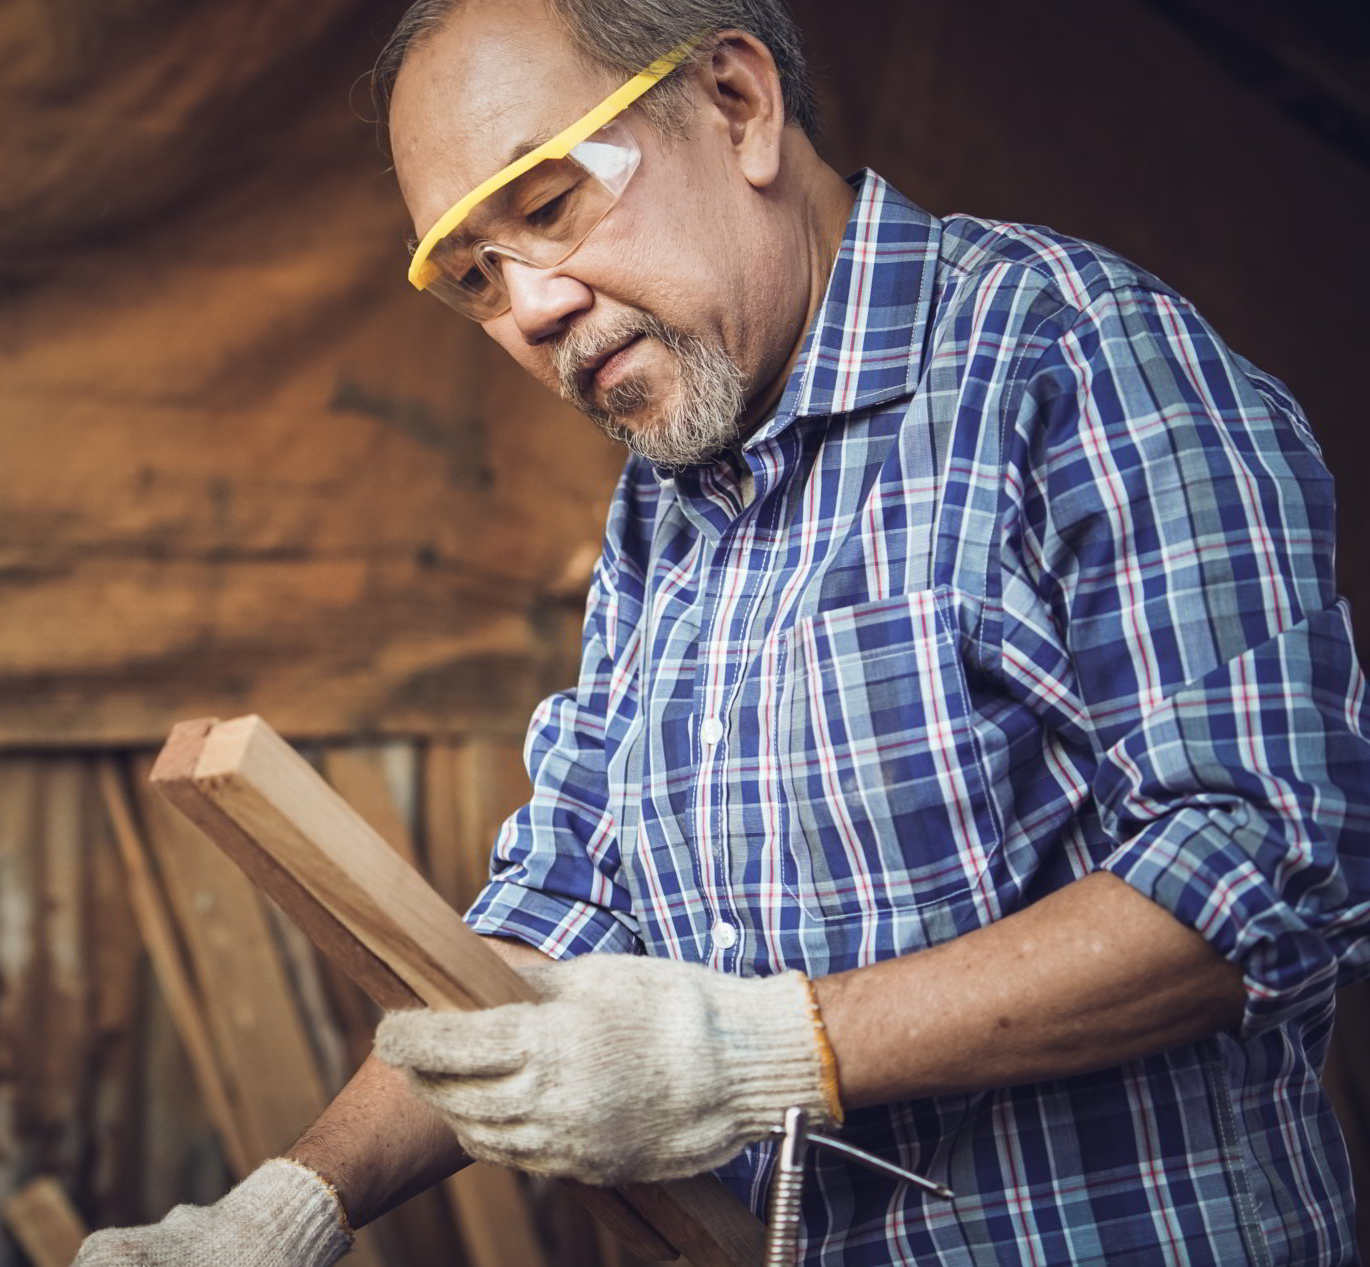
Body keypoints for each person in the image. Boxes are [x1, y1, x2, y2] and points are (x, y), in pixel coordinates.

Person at [77, 0, 1370, 1262]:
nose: (527, 308)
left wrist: (764, 1052)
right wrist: (287, 1211)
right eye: (472, 274)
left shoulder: (1079, 362)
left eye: (546, 205)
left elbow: (1271, 863)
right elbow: (569, 900)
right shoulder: (667, 508)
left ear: (739, 106)